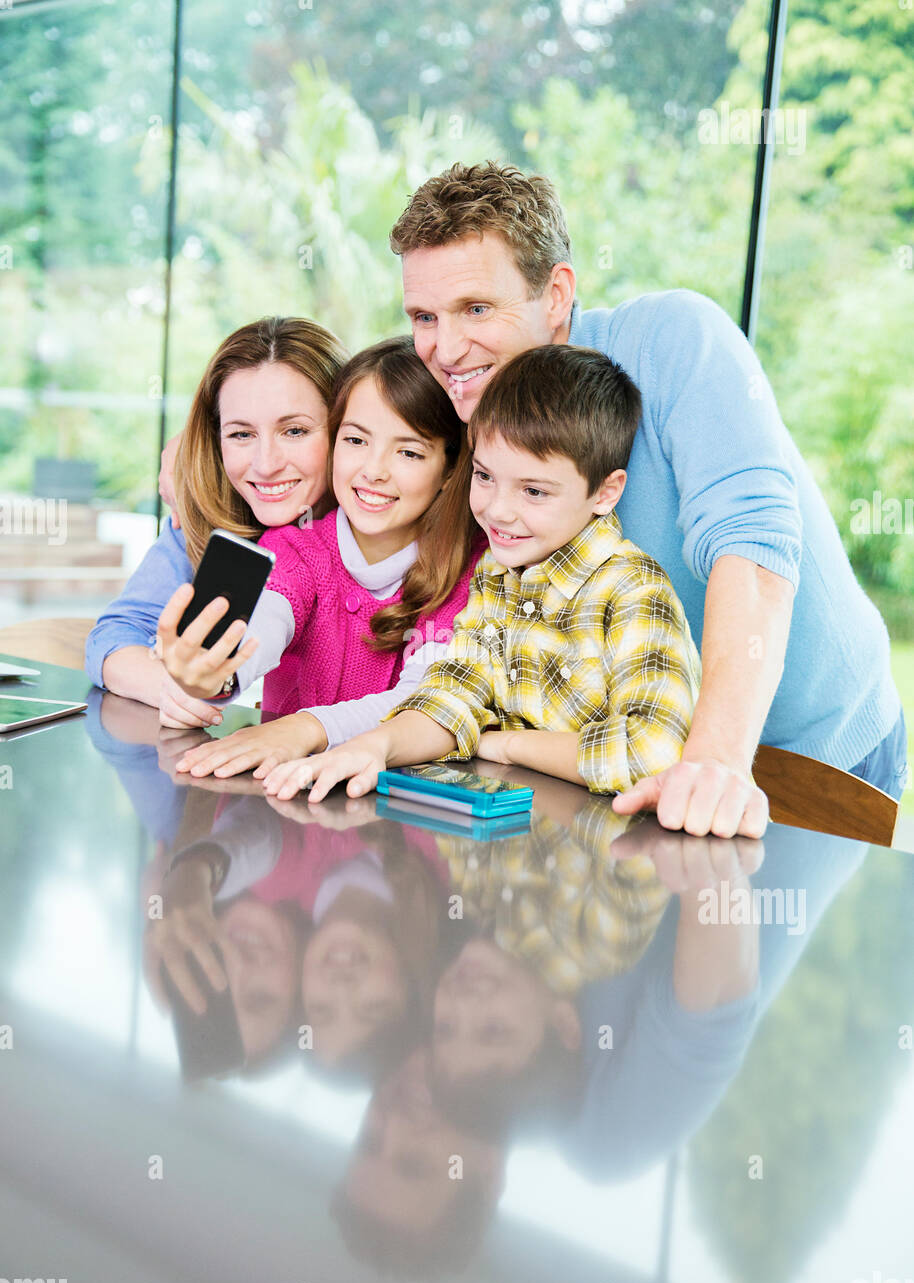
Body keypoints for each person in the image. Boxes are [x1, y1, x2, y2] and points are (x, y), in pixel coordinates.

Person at [384, 160, 908, 838]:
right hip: (627, 762)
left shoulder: (674, 339)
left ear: (556, 294)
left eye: (476, 308)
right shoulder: (474, 413)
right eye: (424, 316)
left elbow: (752, 539)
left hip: (812, 750)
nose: (446, 348)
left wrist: (715, 760)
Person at [260, 343, 701, 802]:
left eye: (533, 491)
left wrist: (504, 745)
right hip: (499, 833)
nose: (498, 511)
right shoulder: (495, 573)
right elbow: (451, 695)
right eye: (485, 476)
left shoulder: (632, 590)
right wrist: (374, 746)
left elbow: (652, 754)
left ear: (605, 493)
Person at [157, 336, 487, 779]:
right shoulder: (296, 546)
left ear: (449, 468)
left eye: (409, 452)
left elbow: (425, 701)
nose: (374, 470)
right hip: (283, 802)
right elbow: (268, 618)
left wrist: (305, 729)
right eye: (355, 440)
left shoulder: (473, 573)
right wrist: (217, 672)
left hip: (399, 812)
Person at [85, 316, 348, 728]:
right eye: (241, 435)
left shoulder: (375, 526)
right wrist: (174, 688)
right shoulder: (207, 519)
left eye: (295, 431)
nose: (266, 464)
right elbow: (115, 636)